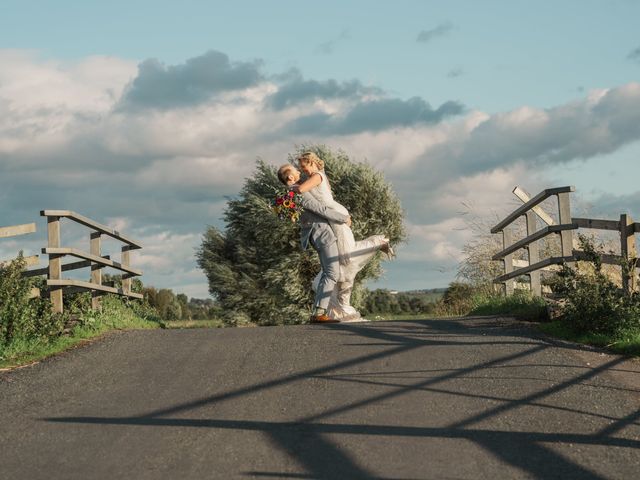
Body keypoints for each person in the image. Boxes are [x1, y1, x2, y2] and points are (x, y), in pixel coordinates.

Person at [291, 152, 394, 321]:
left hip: (336, 215)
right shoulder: (315, 177)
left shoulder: (317, 176)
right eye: (301, 169)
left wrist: (289, 187)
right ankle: (339, 306)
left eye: (304, 167)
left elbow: (301, 190)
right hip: (331, 216)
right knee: (341, 260)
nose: (303, 171)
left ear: (312, 163)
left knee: (347, 254)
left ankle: (379, 242)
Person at [277, 163, 351, 323]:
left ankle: (318, 311)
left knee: (329, 272)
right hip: (321, 233)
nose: (298, 171)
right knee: (332, 272)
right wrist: (344, 218)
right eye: (295, 170)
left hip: (315, 233)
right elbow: (320, 209)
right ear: (290, 177)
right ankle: (319, 313)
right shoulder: (297, 191)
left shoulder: (290, 194)